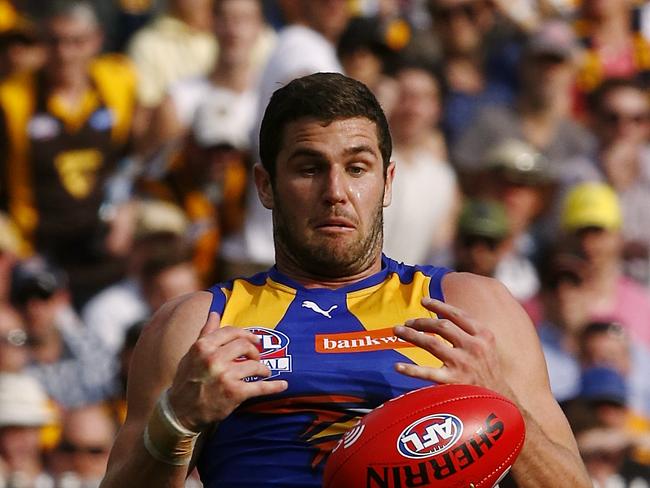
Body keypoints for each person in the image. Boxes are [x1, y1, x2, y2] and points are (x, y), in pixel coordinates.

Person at [100, 72, 590, 487]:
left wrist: (502, 406)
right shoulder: (200, 326)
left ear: (388, 182)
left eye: (357, 168)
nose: (336, 192)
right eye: (309, 169)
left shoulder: (472, 308)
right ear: (266, 186)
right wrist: (177, 419)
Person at [0, 0, 139, 307]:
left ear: (96, 40)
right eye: (55, 41)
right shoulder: (12, 101)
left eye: (76, 42)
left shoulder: (117, 83)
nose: (65, 53)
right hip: (37, 254)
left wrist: (124, 206)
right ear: (41, 42)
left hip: (102, 249)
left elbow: (128, 157)